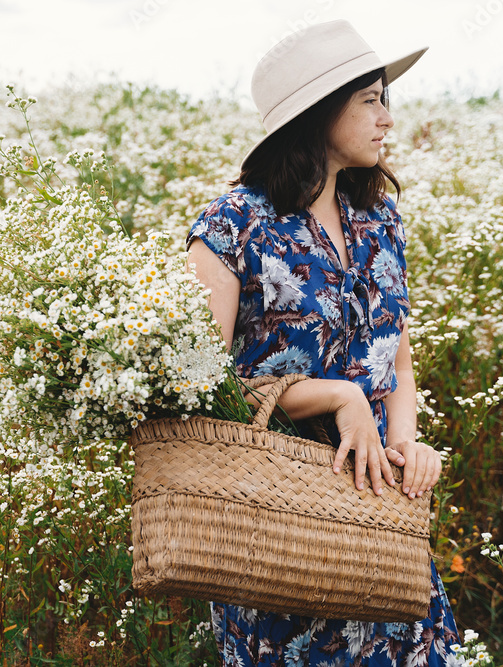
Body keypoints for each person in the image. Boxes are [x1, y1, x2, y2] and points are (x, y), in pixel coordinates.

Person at [186, 20, 463, 667]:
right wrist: (336, 397)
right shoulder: (232, 225)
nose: (387, 118)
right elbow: (202, 389)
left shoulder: (380, 219)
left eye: (384, 98)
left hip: (380, 525)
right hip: (277, 530)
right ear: (317, 113)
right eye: (369, 99)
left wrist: (407, 443)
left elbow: (397, 362)